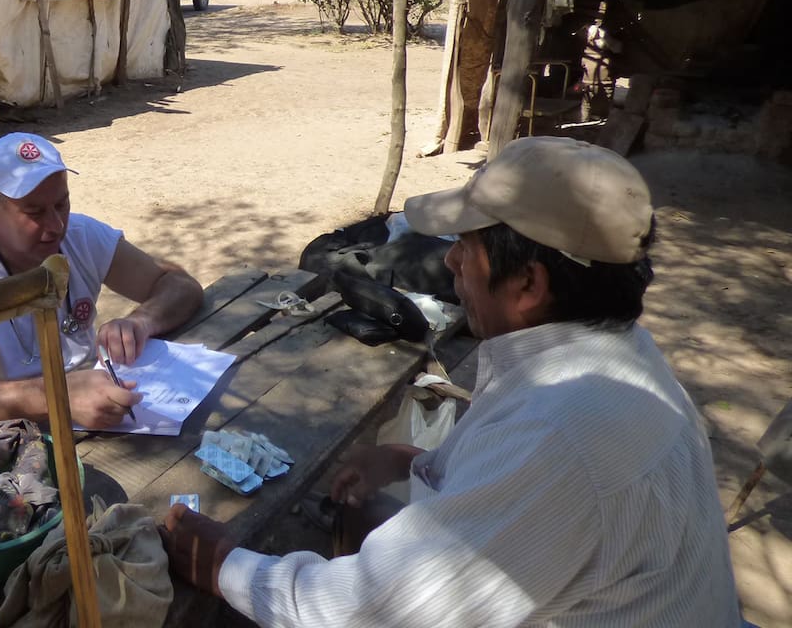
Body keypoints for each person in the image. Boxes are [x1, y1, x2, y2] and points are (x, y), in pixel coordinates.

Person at [163, 136, 740, 627]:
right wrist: (412, 459)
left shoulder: (561, 433)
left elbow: (366, 613)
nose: (450, 264)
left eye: (466, 247)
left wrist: (222, 563)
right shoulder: (616, 352)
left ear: (529, 286)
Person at [0, 132, 203, 439]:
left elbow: (179, 285)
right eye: (34, 212)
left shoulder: (82, 235)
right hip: (9, 442)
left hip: (100, 413)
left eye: (61, 203)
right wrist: (55, 394)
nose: (56, 225)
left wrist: (141, 321)